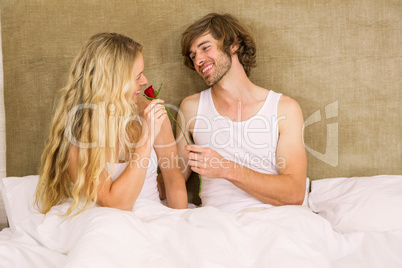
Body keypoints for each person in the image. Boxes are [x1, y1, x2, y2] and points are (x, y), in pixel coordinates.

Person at [35, 33, 188, 216]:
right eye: (137, 76)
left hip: (157, 219)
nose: (145, 81)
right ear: (112, 83)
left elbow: (172, 177)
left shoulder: (149, 113)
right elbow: (118, 205)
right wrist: (147, 136)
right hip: (109, 226)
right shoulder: (78, 138)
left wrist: (180, 223)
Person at [177, 13, 307, 213]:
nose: (198, 60)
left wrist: (227, 169)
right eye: (193, 55)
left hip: (276, 219)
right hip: (217, 223)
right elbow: (174, 179)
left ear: (233, 44)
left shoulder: (284, 108)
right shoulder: (191, 108)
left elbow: (295, 194)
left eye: (205, 48)